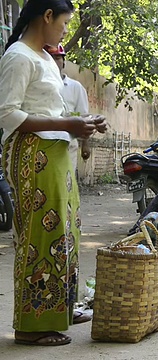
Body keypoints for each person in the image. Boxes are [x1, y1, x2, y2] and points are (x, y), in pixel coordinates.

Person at [0, 0, 107, 346]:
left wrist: (84, 124)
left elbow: (51, 110)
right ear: (46, 16)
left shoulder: (45, 57)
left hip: (58, 154)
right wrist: (67, 123)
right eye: (63, 23)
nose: (64, 31)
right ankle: (32, 325)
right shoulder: (18, 57)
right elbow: (8, 115)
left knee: (66, 232)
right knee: (40, 237)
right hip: (34, 156)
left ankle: (59, 306)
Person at [44, 43, 91, 171]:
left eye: (58, 58)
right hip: (43, 143)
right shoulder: (38, 86)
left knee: (67, 182)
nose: (54, 61)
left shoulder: (75, 87)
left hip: (68, 144)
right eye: (50, 57)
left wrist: (85, 144)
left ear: (64, 62)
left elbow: (83, 117)